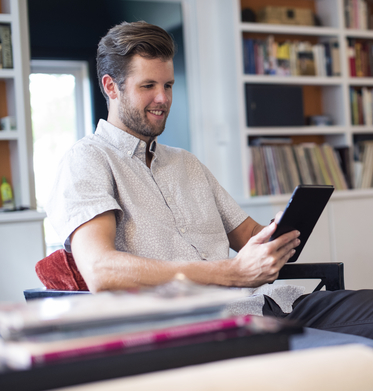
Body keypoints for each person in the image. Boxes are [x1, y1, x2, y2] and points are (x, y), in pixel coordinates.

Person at [46, 21, 373, 346]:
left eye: (169, 85)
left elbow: (248, 236)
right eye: (148, 86)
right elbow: (102, 270)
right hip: (197, 326)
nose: (163, 98)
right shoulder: (87, 160)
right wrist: (232, 273)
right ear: (111, 87)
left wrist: (281, 231)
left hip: (270, 303)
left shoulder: (186, 163)